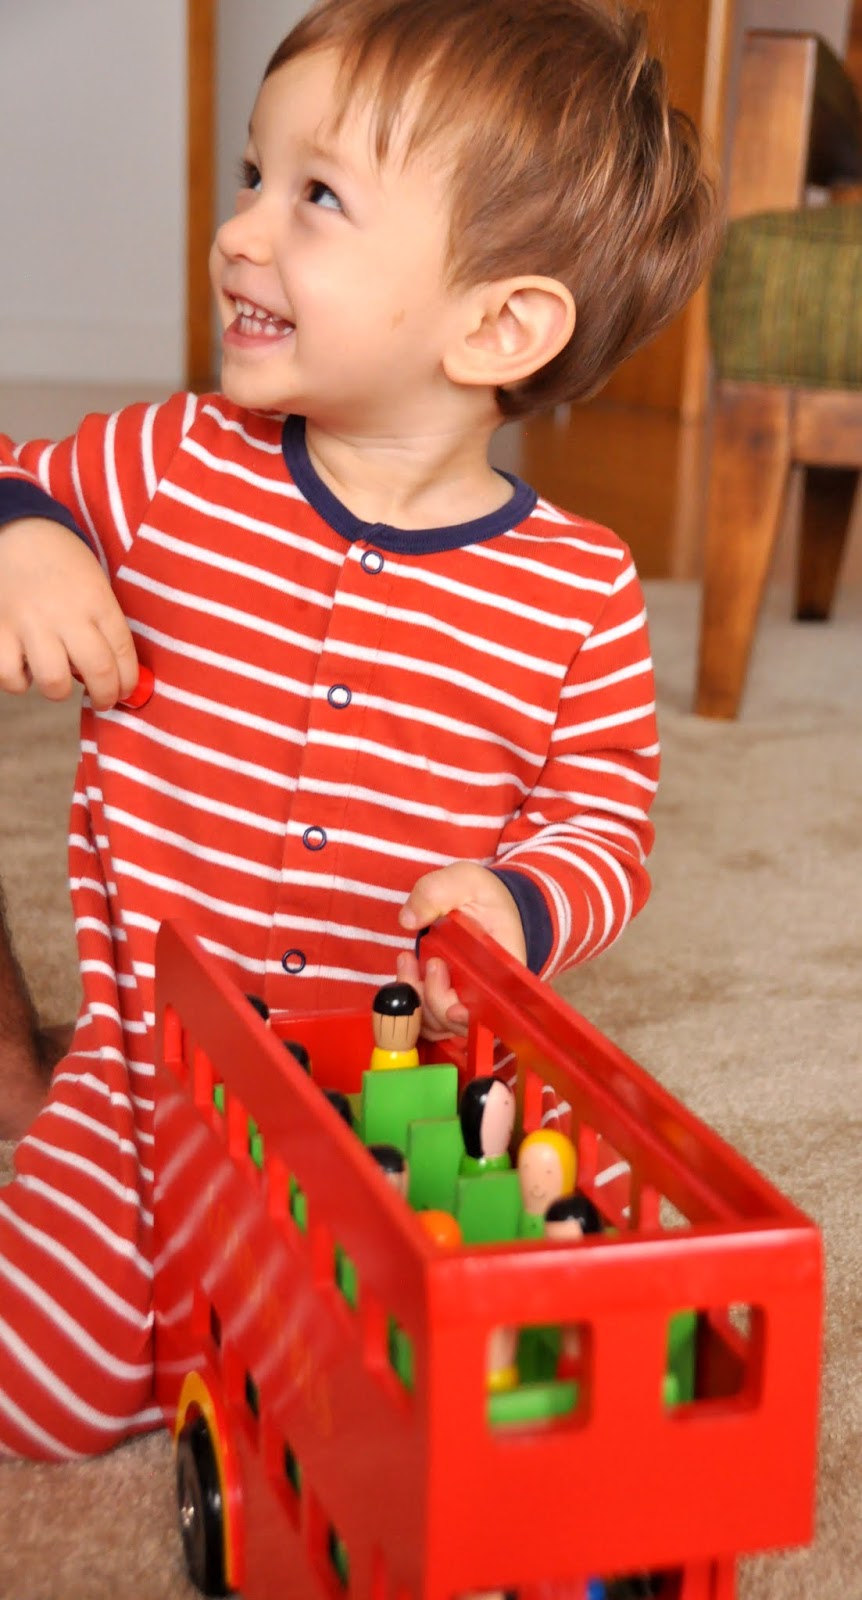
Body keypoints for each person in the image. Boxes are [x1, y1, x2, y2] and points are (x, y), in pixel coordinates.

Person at [0, 0, 718, 1459]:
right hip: (147, 1081)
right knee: (42, 1395)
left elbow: (603, 820)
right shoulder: (167, 465)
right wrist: (26, 534)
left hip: (399, 1101)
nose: (239, 233)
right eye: (251, 177)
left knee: (471, 1396)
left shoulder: (578, 589)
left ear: (497, 325)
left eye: (315, 197)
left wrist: (517, 904)